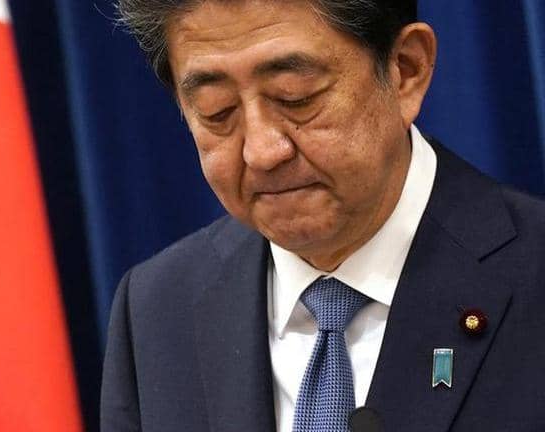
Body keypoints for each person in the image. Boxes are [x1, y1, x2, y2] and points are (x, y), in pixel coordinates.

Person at [101, 1, 545, 431]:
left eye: (295, 97)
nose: (262, 152)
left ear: (405, 70)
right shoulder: (157, 308)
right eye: (218, 110)